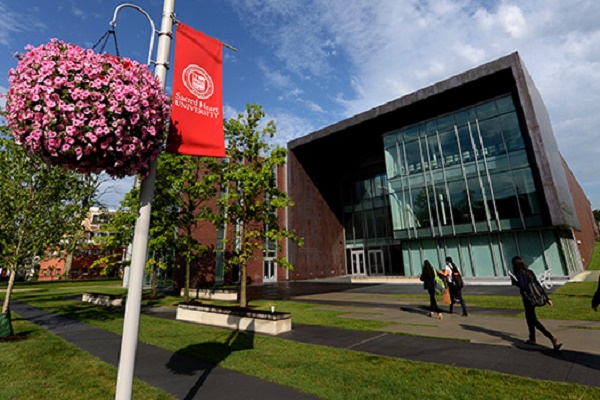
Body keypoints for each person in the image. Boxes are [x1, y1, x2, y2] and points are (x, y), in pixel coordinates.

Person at [510, 256, 561, 350]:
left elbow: (523, 286)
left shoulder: (518, 273)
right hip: (534, 298)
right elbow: (538, 285)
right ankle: (532, 338)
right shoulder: (530, 272)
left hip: (528, 299)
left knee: (534, 321)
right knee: (529, 319)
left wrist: (515, 282)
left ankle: (551, 337)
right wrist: (546, 298)